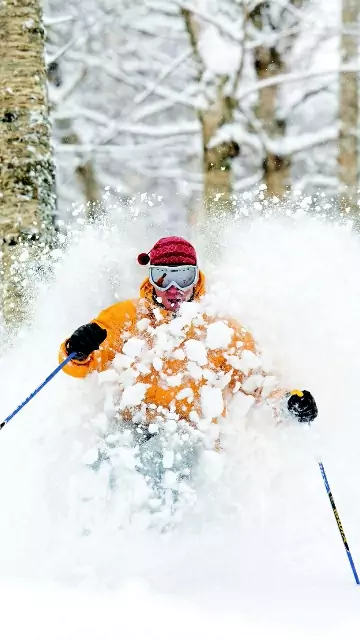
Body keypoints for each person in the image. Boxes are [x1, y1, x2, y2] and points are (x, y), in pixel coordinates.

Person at [59, 236, 317, 497]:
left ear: (197, 280)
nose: (173, 288)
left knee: (162, 457)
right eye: (162, 277)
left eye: (183, 278)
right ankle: (98, 527)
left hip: (189, 434)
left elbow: (257, 381)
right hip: (131, 423)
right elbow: (78, 365)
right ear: (151, 279)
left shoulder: (219, 330)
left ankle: (164, 533)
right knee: (103, 462)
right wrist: (76, 348)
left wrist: (288, 400)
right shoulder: (125, 318)